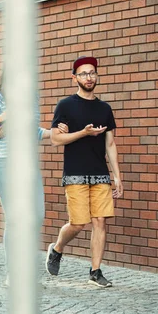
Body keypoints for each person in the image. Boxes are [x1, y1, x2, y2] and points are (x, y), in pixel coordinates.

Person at [0, 74, 68, 287]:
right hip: (6, 162)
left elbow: (31, 132)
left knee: (37, 215)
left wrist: (53, 132)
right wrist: (4, 116)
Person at [46, 56, 123, 287]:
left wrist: (117, 176)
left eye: (92, 73)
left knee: (100, 221)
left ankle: (95, 271)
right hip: (75, 174)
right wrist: (83, 133)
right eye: (83, 74)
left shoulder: (105, 109)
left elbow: (110, 144)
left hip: (100, 174)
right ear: (74, 78)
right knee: (78, 223)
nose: (89, 77)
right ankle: (57, 248)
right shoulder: (65, 106)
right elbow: (55, 140)